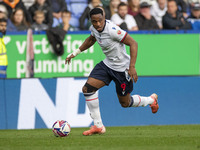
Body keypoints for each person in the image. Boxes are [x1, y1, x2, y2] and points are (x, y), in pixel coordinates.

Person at [65, 8, 159, 136]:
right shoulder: (94, 28)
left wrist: (132, 66)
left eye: (100, 21)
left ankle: (150, 100)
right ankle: (98, 126)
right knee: (88, 89)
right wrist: (75, 53)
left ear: (104, 18)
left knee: (125, 103)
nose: (97, 24)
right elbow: (91, 39)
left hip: (122, 70)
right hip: (107, 65)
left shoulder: (113, 30)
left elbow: (133, 43)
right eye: (94, 21)